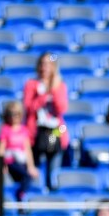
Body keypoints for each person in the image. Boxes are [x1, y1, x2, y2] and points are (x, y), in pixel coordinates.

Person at [23, 52, 68, 191]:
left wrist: (53, 90)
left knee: (53, 166)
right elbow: (27, 107)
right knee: (37, 167)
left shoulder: (59, 86)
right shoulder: (32, 84)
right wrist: (42, 97)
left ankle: (51, 190)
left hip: (55, 130)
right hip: (37, 131)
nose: (45, 67)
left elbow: (62, 108)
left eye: (49, 64)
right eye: (42, 63)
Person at [0, 100, 40, 202]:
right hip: (11, 161)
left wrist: (31, 166)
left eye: (17, 114)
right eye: (11, 114)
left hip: (22, 161)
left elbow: (27, 149)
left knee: (29, 175)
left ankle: (22, 193)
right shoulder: (5, 129)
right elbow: (1, 149)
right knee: (26, 175)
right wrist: (1, 165)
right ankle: (20, 194)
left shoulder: (24, 130)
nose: (14, 117)